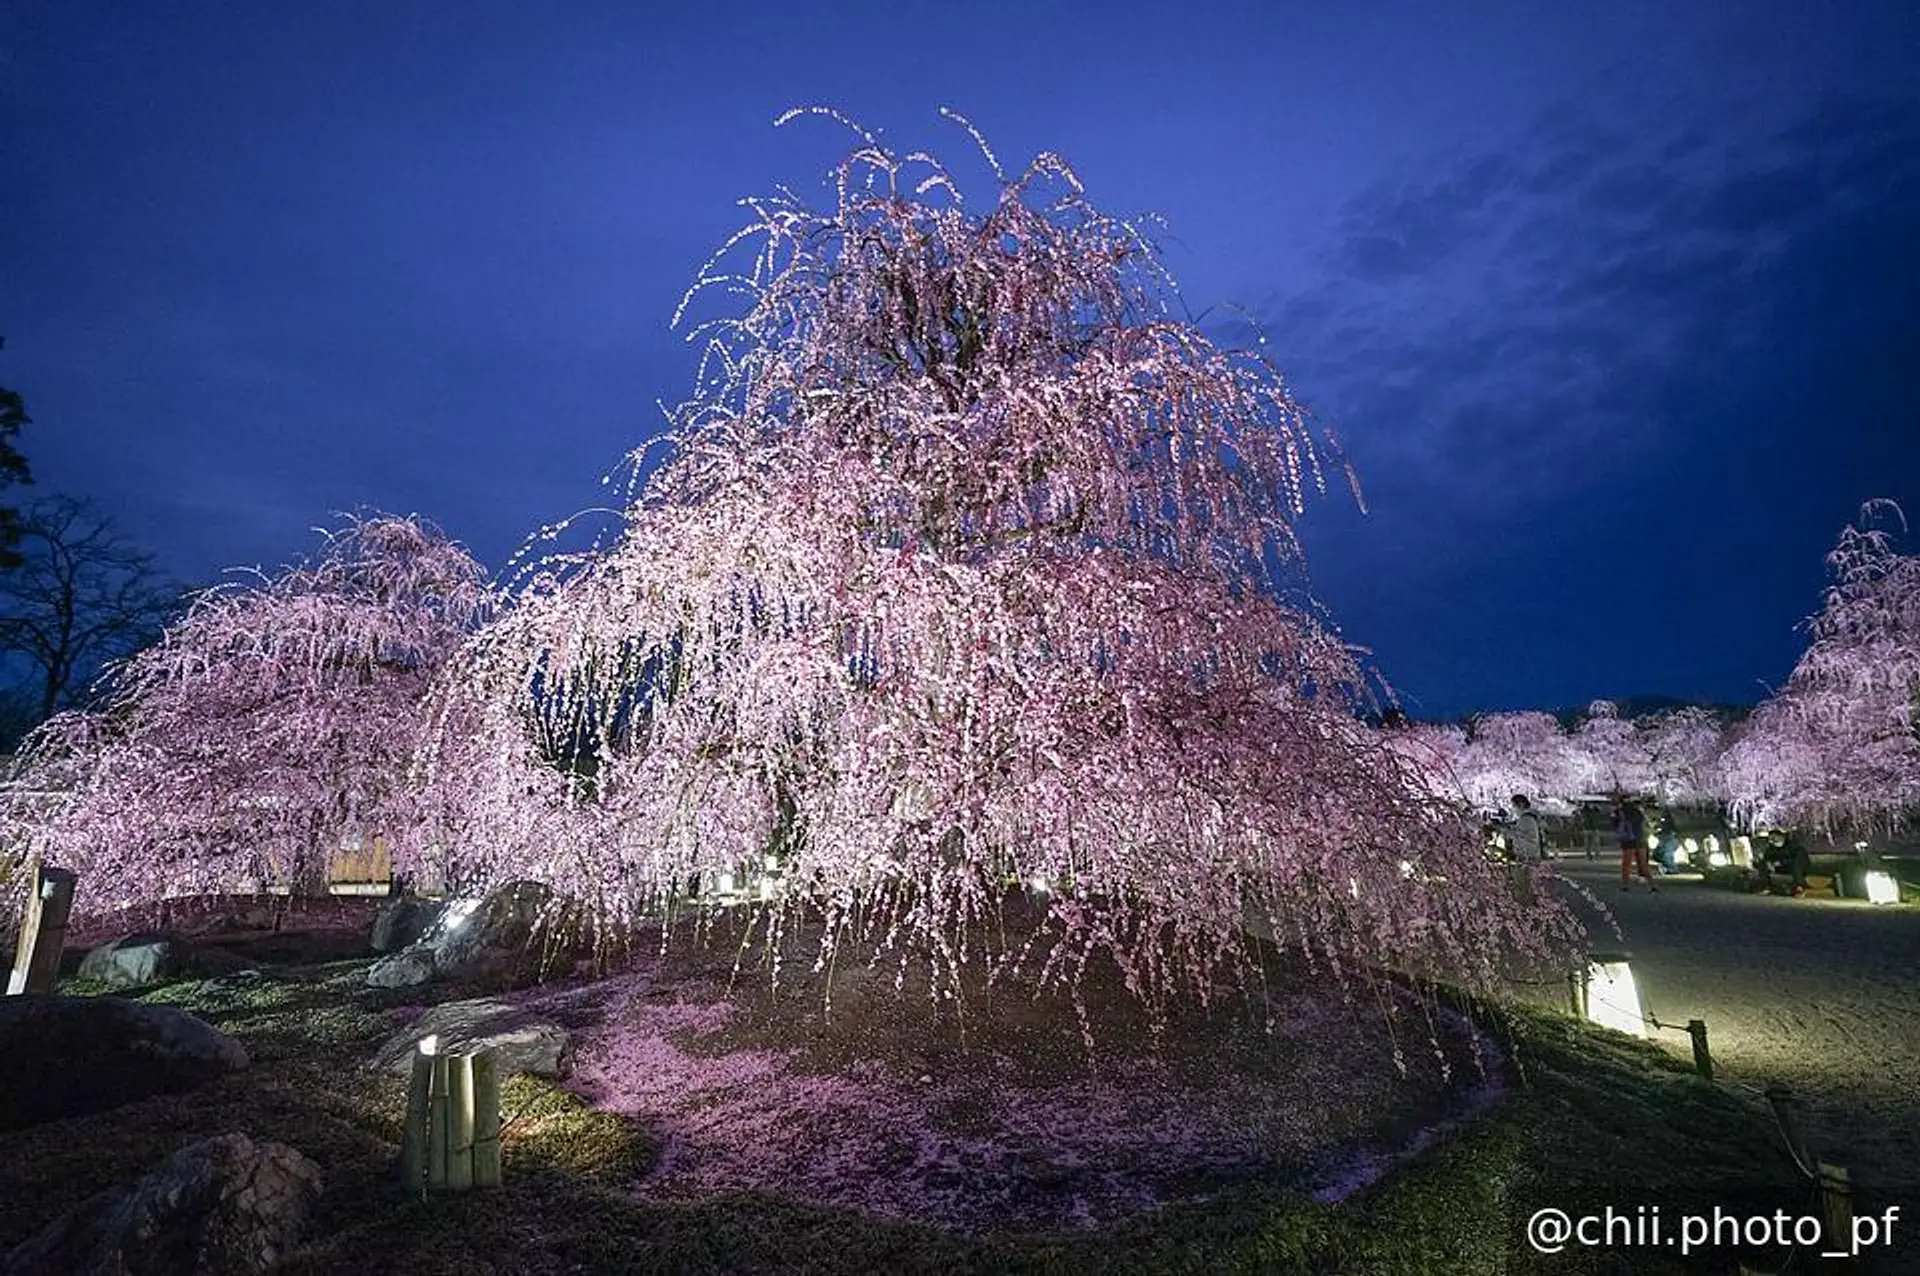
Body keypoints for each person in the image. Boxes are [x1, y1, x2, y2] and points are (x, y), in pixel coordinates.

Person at [1612, 794, 1657, 892]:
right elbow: (1644, 824)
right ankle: (1652, 885)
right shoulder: (1638, 811)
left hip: (1628, 841)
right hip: (1640, 839)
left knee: (1626, 864)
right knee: (1643, 864)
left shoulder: (1619, 812)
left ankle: (1625, 886)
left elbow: (1615, 825)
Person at [1760, 828, 1812, 897]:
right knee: (1762, 865)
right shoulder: (1771, 848)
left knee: (1795, 865)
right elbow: (1766, 858)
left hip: (1795, 868)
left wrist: (1781, 863)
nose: (1771, 841)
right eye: (1770, 839)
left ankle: (1799, 887)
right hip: (1780, 867)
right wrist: (1768, 863)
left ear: (1780, 836)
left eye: (1773, 838)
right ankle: (1766, 887)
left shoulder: (1793, 846)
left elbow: (1799, 859)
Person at [1509, 794, 1546, 864]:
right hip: (1532, 854)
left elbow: (1517, 834)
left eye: (1514, 806)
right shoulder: (1530, 817)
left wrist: (1505, 831)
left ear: (1521, 805)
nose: (1513, 809)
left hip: (1528, 855)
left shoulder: (1526, 819)